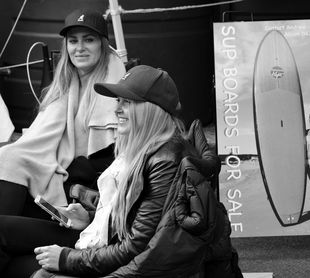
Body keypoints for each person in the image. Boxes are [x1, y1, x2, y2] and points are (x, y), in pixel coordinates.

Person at [0, 65, 235, 277]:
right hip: (101, 242)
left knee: (20, 267)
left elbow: (136, 247)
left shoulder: (166, 161)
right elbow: (132, 222)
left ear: (152, 110)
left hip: (120, 262)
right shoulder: (141, 148)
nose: (117, 109)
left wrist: (66, 259)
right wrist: (90, 218)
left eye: (127, 102)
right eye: (118, 101)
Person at [0, 8, 126, 217]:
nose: (80, 48)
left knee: (10, 160)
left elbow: (117, 153)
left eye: (89, 40)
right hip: (55, 169)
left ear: (102, 45)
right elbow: (37, 141)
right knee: (8, 156)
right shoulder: (64, 85)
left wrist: (66, 172)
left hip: (83, 186)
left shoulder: (116, 86)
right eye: (73, 41)